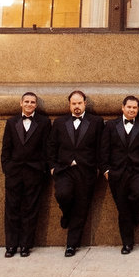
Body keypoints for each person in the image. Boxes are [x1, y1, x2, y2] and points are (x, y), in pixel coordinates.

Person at [47, 89, 103, 257]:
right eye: (74, 104)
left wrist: (98, 168)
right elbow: (51, 146)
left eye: (79, 103)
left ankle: (71, 245)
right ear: (69, 105)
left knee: (81, 207)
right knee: (62, 195)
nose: (77, 106)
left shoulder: (96, 122)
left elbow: (101, 147)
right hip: (64, 169)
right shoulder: (59, 122)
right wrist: (52, 167)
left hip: (86, 170)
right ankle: (66, 213)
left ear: (85, 103)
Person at [100, 94, 139, 254]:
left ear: (138, 110)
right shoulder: (111, 125)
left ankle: (135, 210)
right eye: (129, 107)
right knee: (122, 209)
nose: (132, 110)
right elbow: (104, 149)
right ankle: (127, 243)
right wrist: (106, 170)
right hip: (117, 173)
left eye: (135, 107)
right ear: (122, 108)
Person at [0, 91, 50, 258]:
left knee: (31, 209)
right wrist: (7, 167)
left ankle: (26, 245)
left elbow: (47, 148)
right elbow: (6, 148)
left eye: (32, 102)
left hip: (34, 172)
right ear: (21, 103)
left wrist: (42, 168)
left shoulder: (44, 122)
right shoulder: (11, 122)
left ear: (36, 105)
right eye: (26, 101)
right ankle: (11, 245)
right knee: (11, 209)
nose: (29, 104)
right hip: (14, 172)